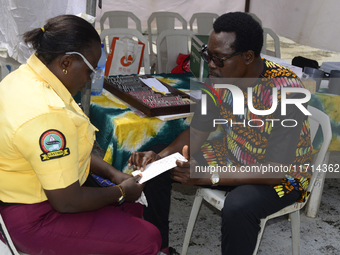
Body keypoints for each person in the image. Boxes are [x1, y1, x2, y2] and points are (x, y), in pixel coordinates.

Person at [129, 12, 312, 255]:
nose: (211, 65)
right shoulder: (220, 79)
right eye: (208, 55)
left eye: (219, 59)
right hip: (232, 156)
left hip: (282, 177)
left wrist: (206, 176)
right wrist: (157, 158)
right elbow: (196, 133)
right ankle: (158, 249)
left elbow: (274, 170)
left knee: (239, 205)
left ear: (248, 56)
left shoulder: (286, 92)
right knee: (155, 170)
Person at [0, 15, 161, 255]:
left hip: (34, 195)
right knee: (148, 238)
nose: (90, 79)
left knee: (131, 211)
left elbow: (68, 153)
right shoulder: (47, 114)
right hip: (36, 217)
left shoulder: (23, 78)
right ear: (66, 62)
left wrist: (113, 173)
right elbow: (68, 202)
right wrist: (121, 192)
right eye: (90, 70)